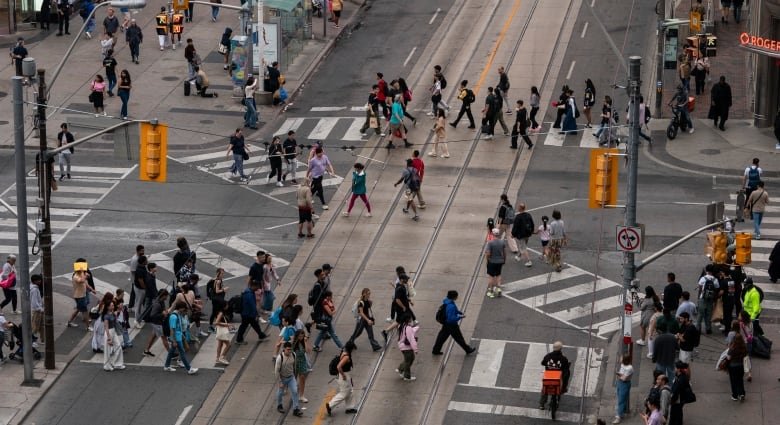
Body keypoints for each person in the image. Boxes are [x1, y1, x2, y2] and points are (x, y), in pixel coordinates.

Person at [431, 290, 476, 355]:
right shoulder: (451, 306)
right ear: (454, 297)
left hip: (446, 324)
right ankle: (468, 349)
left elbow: (452, 311)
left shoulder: (447, 301)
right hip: (451, 325)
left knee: (441, 337)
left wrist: (459, 312)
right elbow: (451, 319)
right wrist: (460, 317)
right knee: (459, 338)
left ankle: (435, 350)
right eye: (456, 296)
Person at [162, 301, 198, 374]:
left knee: (171, 351)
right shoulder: (174, 316)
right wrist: (174, 340)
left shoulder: (177, 314)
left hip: (179, 335)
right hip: (176, 337)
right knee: (182, 353)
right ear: (181, 308)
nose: (184, 310)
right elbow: (172, 329)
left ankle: (166, 366)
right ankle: (189, 369)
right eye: (184, 308)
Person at [325, 341, 358, 416]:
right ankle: (330, 405)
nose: (353, 350)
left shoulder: (344, 351)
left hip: (346, 375)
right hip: (344, 375)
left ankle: (350, 408)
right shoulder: (346, 356)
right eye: (353, 349)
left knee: (350, 391)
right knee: (344, 393)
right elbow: (339, 367)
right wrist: (343, 375)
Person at [274, 341, 304, 416]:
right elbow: (276, 371)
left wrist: (294, 376)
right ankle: (279, 405)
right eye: (288, 349)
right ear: (284, 349)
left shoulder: (293, 355)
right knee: (280, 392)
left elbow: (294, 366)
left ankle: (296, 409)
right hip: (282, 378)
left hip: (291, 377)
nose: (289, 351)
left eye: (290, 349)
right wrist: (280, 381)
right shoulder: (280, 358)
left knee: (295, 391)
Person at [539, 341, 570, 410]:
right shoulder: (563, 359)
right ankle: (563, 390)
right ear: (561, 349)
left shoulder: (548, 356)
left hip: (548, 377)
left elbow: (543, 363)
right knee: (565, 378)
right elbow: (566, 370)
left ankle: (542, 404)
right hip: (558, 378)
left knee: (544, 390)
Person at [67, 264, 97, 329]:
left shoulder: (81, 275)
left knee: (78, 309)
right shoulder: (75, 277)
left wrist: (92, 290)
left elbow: (86, 284)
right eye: (82, 269)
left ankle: (69, 322)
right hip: (79, 297)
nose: (83, 270)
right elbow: (82, 281)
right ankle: (88, 326)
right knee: (84, 311)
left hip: (82, 296)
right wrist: (84, 275)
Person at [143, 290, 170, 356]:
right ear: (163, 296)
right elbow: (153, 315)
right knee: (164, 337)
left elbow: (162, 309)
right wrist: (162, 314)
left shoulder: (161, 301)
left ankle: (146, 350)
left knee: (153, 336)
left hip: (158, 322)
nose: (167, 297)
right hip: (157, 323)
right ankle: (170, 353)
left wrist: (165, 311)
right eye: (166, 296)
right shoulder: (157, 304)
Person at [102, 300, 126, 371]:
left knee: (118, 346)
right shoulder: (106, 316)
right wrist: (109, 338)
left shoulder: (113, 313)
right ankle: (107, 366)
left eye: (113, 305)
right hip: (108, 332)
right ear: (108, 307)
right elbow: (106, 327)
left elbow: (116, 323)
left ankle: (117, 364)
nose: (113, 306)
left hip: (113, 331)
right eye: (111, 305)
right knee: (107, 351)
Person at [697, 265, 721, 334]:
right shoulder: (715, 279)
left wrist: (699, 298)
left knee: (700, 314)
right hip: (710, 299)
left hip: (703, 298)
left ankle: (698, 328)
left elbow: (700, 288)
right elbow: (716, 288)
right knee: (708, 314)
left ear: (707, 270)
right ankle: (708, 328)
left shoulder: (703, 278)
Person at [396, 313, 419, 380]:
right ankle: (407, 376)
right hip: (406, 347)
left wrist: (416, 328)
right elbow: (411, 339)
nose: (412, 320)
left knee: (409, 359)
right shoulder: (408, 328)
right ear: (408, 320)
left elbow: (408, 332)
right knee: (409, 360)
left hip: (402, 345)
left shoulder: (402, 325)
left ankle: (400, 368)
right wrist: (415, 349)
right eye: (411, 319)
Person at [612, 354, 633, 424]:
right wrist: (619, 375)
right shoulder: (622, 364)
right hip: (620, 383)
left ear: (624, 360)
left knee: (621, 400)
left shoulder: (629, 368)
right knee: (620, 398)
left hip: (625, 384)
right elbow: (622, 375)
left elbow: (624, 378)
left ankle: (618, 417)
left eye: (621, 358)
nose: (620, 359)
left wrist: (618, 375)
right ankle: (622, 412)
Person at [30, 275, 44, 345]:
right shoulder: (35, 289)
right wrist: (40, 309)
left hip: (37, 310)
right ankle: (32, 341)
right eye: (39, 280)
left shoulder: (33, 287)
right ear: (35, 281)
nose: (40, 281)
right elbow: (34, 302)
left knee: (40, 326)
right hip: (36, 311)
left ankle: (42, 339)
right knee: (35, 326)